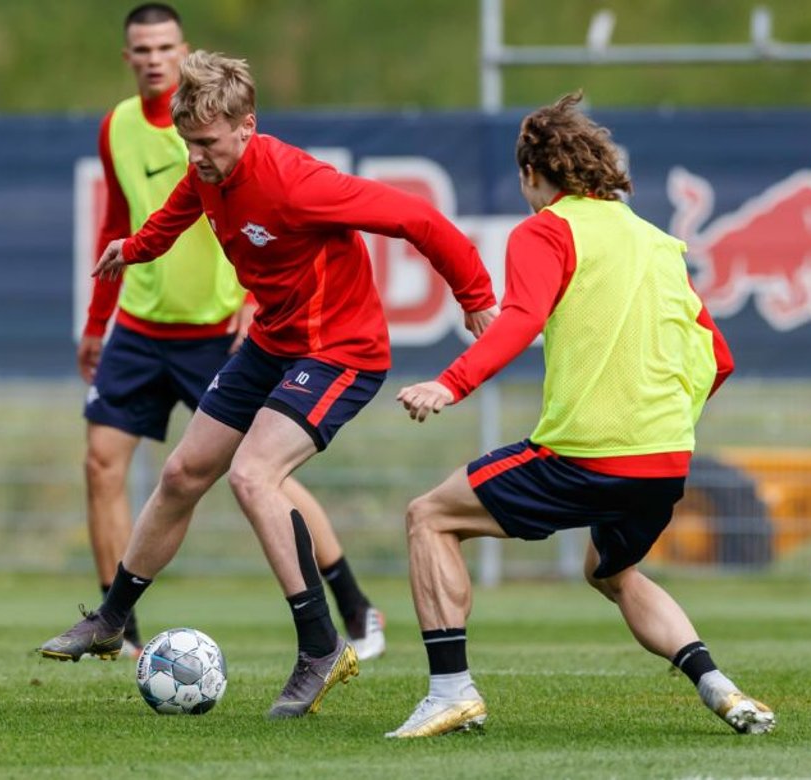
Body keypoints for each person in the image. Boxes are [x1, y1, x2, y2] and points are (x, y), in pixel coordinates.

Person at [40, 49, 497, 720]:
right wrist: (133, 249)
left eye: (208, 143)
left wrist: (475, 295)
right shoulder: (205, 172)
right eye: (188, 143)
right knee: (181, 474)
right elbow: (179, 208)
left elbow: (417, 220)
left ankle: (320, 645)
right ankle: (111, 617)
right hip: (273, 343)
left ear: (246, 126)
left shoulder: (296, 181)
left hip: (342, 350)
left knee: (253, 475)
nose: (196, 156)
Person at [388, 92, 775, 739]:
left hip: (585, 455)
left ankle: (452, 693)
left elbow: (522, 318)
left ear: (532, 175)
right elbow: (720, 357)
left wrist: (450, 385)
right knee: (611, 572)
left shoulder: (545, 229)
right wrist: (661, 425)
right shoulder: (656, 243)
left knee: (428, 517)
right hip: (663, 464)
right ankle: (720, 687)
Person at [77, 4, 385, 663]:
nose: (153, 58)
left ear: (183, 51)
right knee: (108, 462)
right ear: (127, 56)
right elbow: (123, 219)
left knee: (259, 472)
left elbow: (269, 228)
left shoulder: (229, 133)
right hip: (138, 323)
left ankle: (352, 605)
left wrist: (253, 298)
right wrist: (98, 318)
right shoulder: (121, 128)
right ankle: (115, 626)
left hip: (221, 329)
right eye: (142, 49)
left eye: (165, 47)